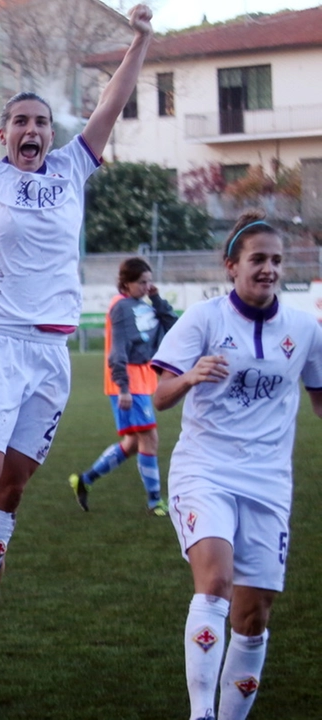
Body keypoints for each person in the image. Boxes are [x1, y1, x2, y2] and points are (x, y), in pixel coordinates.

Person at [0, 0, 154, 668]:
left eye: (40, 121)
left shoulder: (71, 169)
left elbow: (111, 105)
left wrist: (139, 41)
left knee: (13, 487)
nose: (31, 130)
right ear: (2, 134)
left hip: (50, 354)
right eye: (20, 122)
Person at [151, 212, 322, 720]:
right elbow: (159, 396)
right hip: (205, 471)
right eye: (257, 259)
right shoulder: (204, 320)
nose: (268, 269)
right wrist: (189, 378)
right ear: (232, 266)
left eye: (275, 260)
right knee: (217, 581)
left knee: (253, 616)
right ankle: (201, 713)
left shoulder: (304, 328)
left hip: (269, 483)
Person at [70, 257, 177, 514]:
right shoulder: (121, 307)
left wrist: (158, 300)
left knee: (132, 444)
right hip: (128, 382)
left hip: (143, 379)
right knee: (150, 438)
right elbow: (116, 349)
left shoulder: (144, 304)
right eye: (142, 282)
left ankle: (84, 481)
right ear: (126, 283)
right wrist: (123, 388)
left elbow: (172, 326)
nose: (147, 286)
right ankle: (155, 502)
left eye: (150, 281)